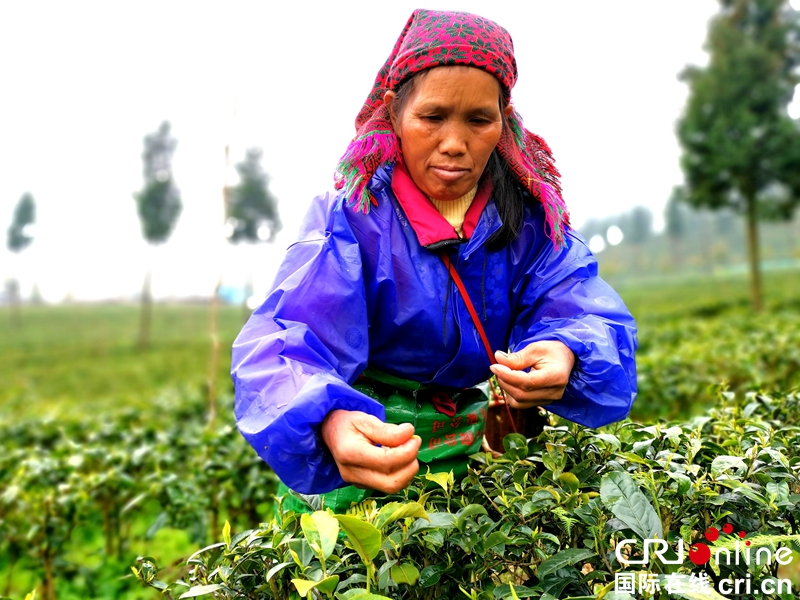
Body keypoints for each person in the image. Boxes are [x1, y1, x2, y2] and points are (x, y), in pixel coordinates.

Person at [232, 9, 637, 512]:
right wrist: (330, 418)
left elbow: (580, 304)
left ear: (503, 121)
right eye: (432, 117)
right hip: (362, 450)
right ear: (394, 112)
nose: (454, 144)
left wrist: (565, 348)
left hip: (463, 453)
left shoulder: (527, 219)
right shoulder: (352, 214)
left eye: (478, 121)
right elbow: (283, 340)